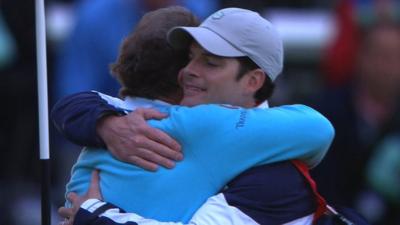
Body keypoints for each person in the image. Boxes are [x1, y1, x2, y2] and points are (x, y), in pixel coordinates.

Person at [53, 7, 335, 225]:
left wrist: (94, 214)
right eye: (190, 57)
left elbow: (319, 128)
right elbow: (75, 105)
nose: (188, 70)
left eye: (210, 63)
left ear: (253, 81)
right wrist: (107, 124)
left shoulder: (278, 177)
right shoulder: (148, 119)